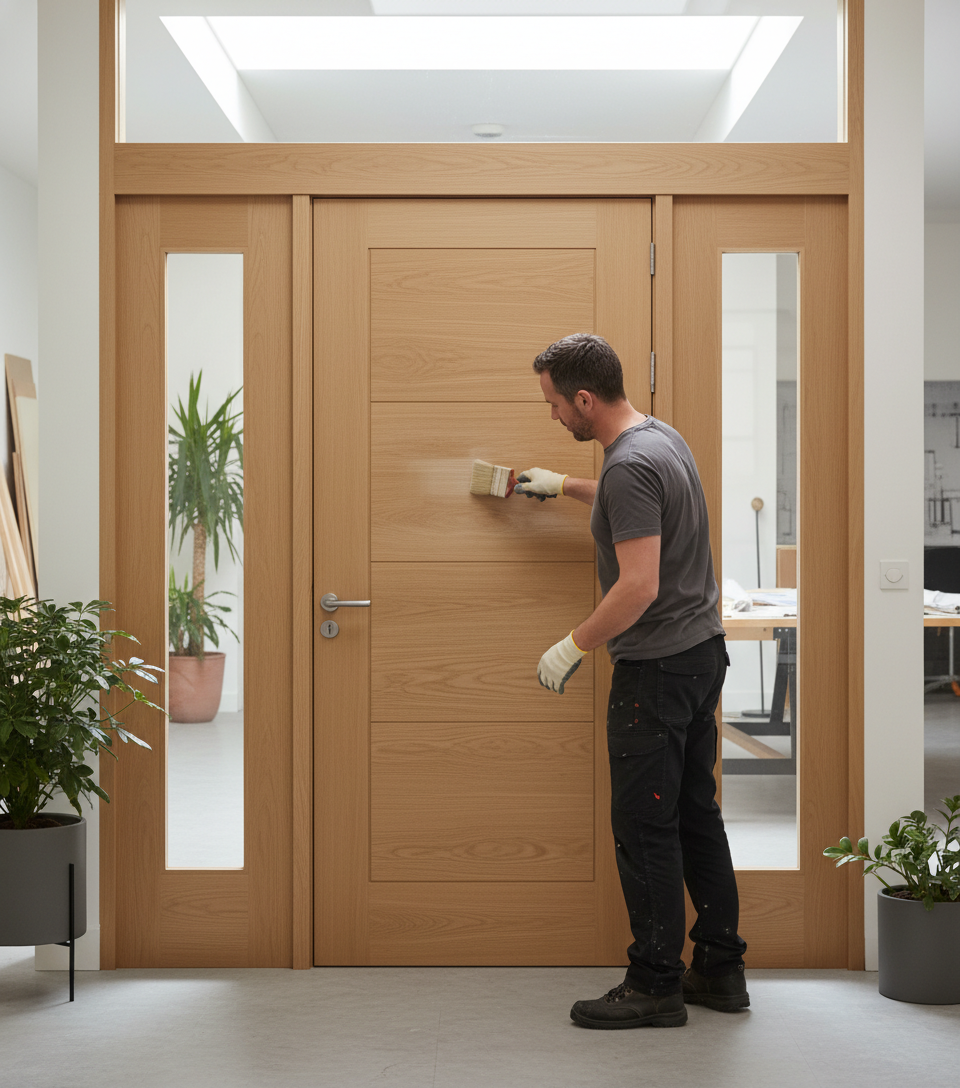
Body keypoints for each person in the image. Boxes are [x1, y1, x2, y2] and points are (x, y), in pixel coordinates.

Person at [514, 333, 748, 1030]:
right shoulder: (658, 438)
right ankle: (719, 969)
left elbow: (639, 585)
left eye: (555, 404)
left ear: (585, 399)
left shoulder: (629, 467)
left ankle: (654, 983)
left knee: (645, 826)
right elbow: (637, 504)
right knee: (695, 817)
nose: (554, 416)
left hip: (658, 670)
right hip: (701, 657)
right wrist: (563, 486)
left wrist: (573, 644)